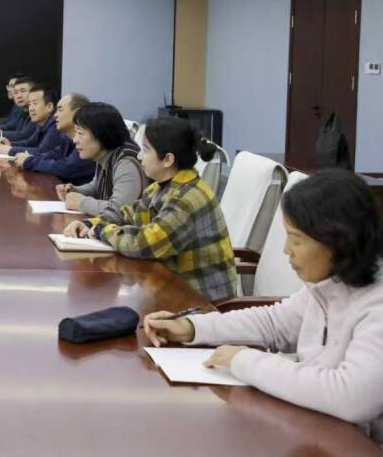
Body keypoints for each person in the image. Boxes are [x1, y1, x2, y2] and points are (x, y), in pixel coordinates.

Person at [142, 170, 383, 457]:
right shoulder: (335, 283)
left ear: (336, 241)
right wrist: (193, 327)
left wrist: (244, 361)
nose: (287, 250)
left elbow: (350, 397)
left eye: (296, 239)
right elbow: (273, 322)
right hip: (346, 455)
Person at [64, 115, 238, 301]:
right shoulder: (161, 187)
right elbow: (128, 215)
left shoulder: (186, 199)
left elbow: (145, 243)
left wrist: (102, 231)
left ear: (168, 159)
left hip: (203, 301)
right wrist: (90, 224)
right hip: (174, 287)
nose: (139, 156)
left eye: (145, 150)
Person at [55, 101, 144, 216]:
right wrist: (73, 190)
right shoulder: (105, 154)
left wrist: (81, 203)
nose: (75, 140)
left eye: (80, 133)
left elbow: (120, 210)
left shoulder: (126, 163)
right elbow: (96, 186)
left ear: (102, 134)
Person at [14, 92, 95, 184]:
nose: (55, 115)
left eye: (60, 110)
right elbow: (54, 154)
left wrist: (29, 161)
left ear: (77, 112)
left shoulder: (89, 139)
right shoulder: (66, 137)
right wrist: (30, 157)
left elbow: (68, 168)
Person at [0, 82, 54, 153]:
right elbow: (30, 143)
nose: (31, 109)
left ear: (49, 107)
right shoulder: (41, 123)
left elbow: (41, 151)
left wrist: (10, 149)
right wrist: (9, 144)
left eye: (35, 103)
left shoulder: (55, 125)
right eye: (29, 104)